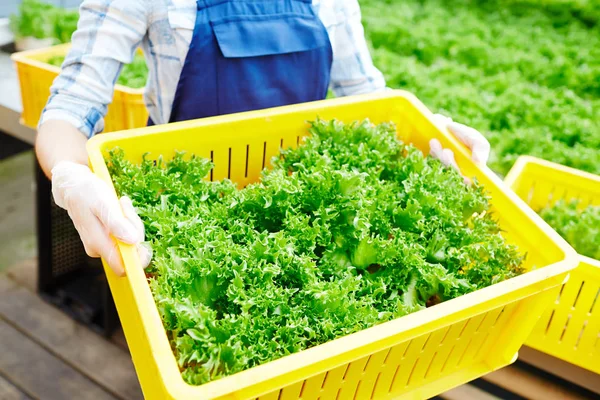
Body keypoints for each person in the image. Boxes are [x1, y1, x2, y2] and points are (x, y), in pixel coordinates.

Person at [35, 0, 490, 277]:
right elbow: (73, 105)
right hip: (184, 215)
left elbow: (366, 95)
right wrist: (71, 177)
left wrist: (430, 127)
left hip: (310, 210)